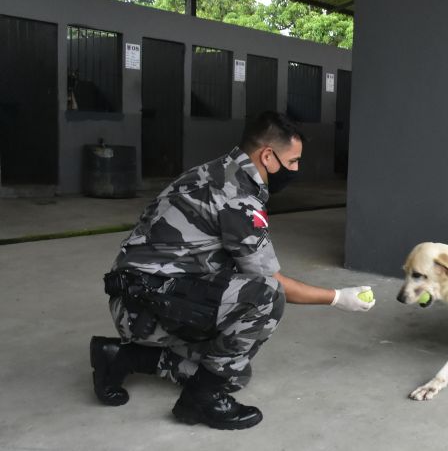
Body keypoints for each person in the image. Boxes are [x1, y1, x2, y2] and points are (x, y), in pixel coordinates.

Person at [90, 111, 374, 430]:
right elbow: (272, 281)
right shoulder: (236, 198)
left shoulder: (218, 170)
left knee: (235, 374)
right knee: (265, 296)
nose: (296, 169)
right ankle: (201, 401)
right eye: (293, 161)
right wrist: (337, 297)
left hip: (142, 295)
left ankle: (120, 357)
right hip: (144, 308)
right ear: (268, 156)